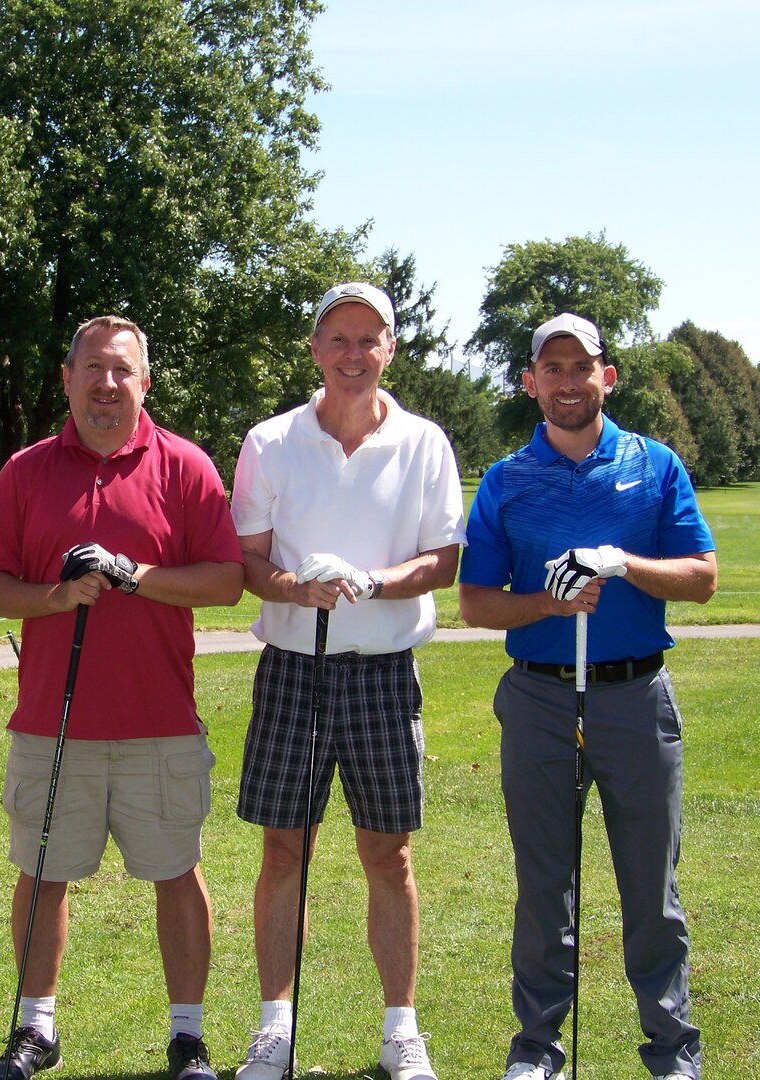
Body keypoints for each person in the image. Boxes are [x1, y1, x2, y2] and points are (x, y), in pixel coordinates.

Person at [0, 315, 244, 1080]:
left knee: (176, 872)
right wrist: (54, 598)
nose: (106, 383)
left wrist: (133, 574)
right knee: (43, 874)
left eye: (122, 370)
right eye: (92, 368)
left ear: (144, 382)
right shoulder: (25, 471)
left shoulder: (184, 466)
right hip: (53, 724)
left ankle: (187, 1036)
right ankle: (35, 1029)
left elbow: (225, 581)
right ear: (67, 378)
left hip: (160, 720)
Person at [457, 313, 717, 1080]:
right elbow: (476, 602)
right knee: (544, 884)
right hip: (539, 698)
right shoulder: (508, 479)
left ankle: (671, 1049)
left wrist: (622, 563)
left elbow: (702, 578)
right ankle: (536, 1047)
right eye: (553, 369)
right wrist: (550, 602)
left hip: (635, 697)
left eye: (583, 367)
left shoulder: (654, 464)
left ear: (608, 376)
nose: (568, 382)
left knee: (650, 883)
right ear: (531, 382)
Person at [228, 282, 465, 1080]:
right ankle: (275, 1027)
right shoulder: (270, 440)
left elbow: (443, 560)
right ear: (316, 349)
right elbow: (251, 560)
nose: (354, 354)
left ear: (391, 349)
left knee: (387, 854)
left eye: (370, 339)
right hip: (295, 668)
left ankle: (402, 1030)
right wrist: (295, 588)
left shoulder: (425, 442)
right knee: (284, 849)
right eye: (339, 338)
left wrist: (372, 579)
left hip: (384, 672)